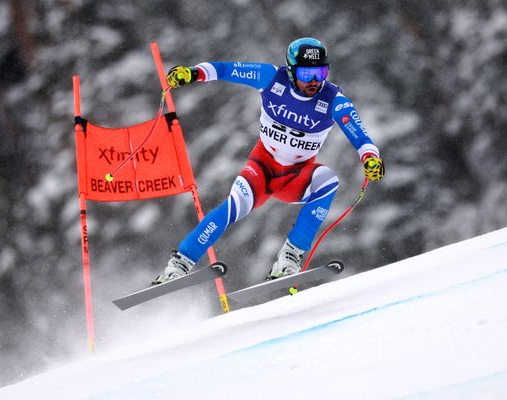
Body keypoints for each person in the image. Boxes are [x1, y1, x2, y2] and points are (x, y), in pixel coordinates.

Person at [152, 38, 384, 285]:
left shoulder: (333, 99)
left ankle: (290, 257)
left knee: (328, 181)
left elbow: (358, 131)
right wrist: (193, 73)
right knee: (232, 208)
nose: (315, 81)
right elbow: (225, 70)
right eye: (307, 73)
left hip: (296, 176)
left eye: (321, 72)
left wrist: (370, 157)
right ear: (292, 69)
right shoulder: (272, 78)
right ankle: (178, 264)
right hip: (261, 170)